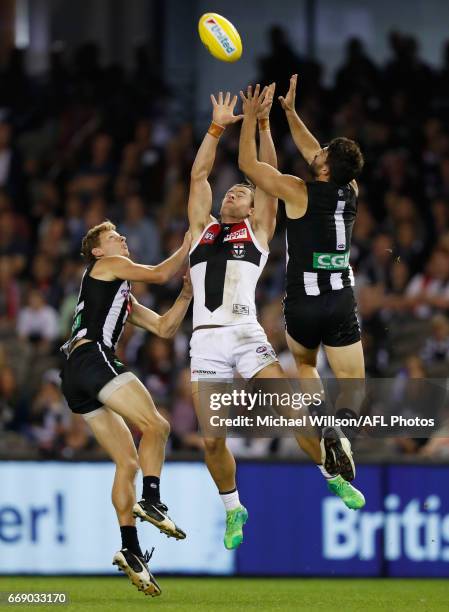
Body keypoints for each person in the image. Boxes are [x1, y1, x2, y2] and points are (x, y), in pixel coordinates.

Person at [188, 88, 363, 553]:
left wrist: (264, 124)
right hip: (204, 343)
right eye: (232, 191)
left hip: (247, 334)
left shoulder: (261, 229)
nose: (235, 193)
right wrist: (216, 127)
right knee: (210, 442)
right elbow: (199, 174)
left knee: (293, 412)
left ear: (255, 206)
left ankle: (334, 475)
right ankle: (233, 509)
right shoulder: (198, 230)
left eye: (243, 193)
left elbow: (266, 174)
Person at [238, 77, 367, 496]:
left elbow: (249, 167)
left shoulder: (297, 192)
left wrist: (254, 121)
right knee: (355, 385)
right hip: (340, 301)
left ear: (326, 166)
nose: (318, 152)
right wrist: (291, 113)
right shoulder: (351, 190)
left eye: (324, 153)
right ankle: (340, 433)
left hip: (302, 304)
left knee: (307, 366)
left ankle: (324, 423)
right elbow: (317, 153)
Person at [60, 220, 192, 598]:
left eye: (121, 234)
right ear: (99, 251)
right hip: (93, 357)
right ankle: (151, 500)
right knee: (158, 426)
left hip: (74, 373)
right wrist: (187, 242)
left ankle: (130, 550)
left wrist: (185, 295)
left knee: (128, 463)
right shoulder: (106, 266)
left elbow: (165, 329)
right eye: (113, 237)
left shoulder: (117, 288)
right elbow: (160, 271)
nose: (123, 238)